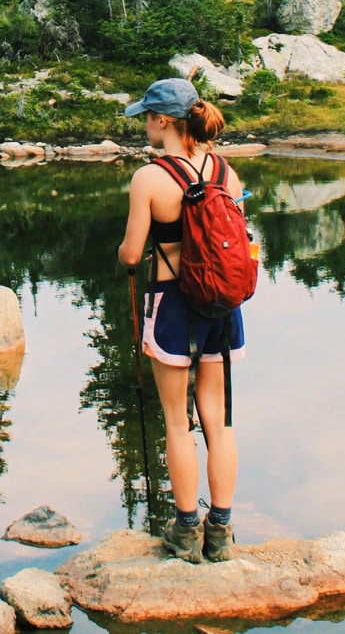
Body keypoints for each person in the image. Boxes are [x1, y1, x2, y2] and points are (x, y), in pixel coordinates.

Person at [117, 77, 245, 564]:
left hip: (173, 302)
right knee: (220, 419)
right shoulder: (225, 170)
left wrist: (125, 256)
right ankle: (222, 531)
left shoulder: (150, 178)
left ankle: (187, 531)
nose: (143, 125)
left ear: (163, 121)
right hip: (221, 304)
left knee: (178, 420)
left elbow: (132, 253)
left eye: (146, 117)